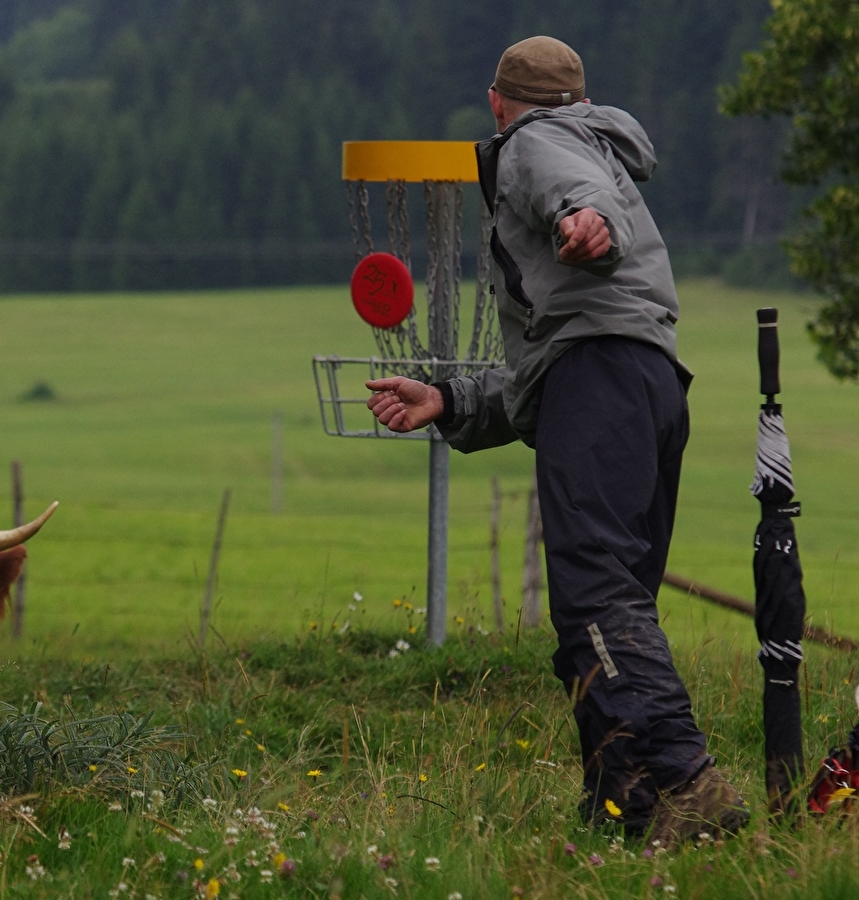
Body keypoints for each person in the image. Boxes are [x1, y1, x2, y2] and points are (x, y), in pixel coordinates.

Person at [365, 36, 748, 845]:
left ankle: (686, 780)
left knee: (593, 597)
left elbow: (572, 202)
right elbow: (559, 362)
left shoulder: (536, 145)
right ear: (580, 95)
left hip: (603, 385)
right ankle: (628, 807)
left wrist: (586, 223)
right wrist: (451, 399)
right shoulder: (598, 148)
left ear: (498, 100)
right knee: (610, 609)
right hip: (646, 388)